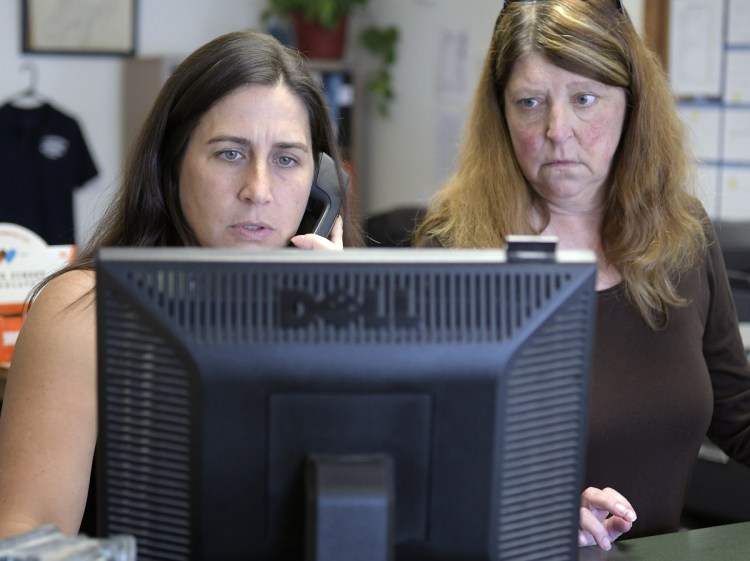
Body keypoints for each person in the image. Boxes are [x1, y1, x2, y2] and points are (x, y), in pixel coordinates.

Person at [415, 0, 750, 551]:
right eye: (530, 102)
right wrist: (530, 506)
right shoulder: (453, 248)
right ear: (501, 113)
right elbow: (423, 455)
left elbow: (737, 413)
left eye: (584, 98)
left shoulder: (683, 235)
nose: (557, 130)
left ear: (630, 104)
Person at [0, 29, 361, 538]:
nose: (258, 190)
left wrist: (343, 335)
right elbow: (27, 535)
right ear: (173, 165)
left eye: (286, 159)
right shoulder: (86, 313)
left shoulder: (344, 317)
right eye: (230, 153)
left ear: (320, 185)